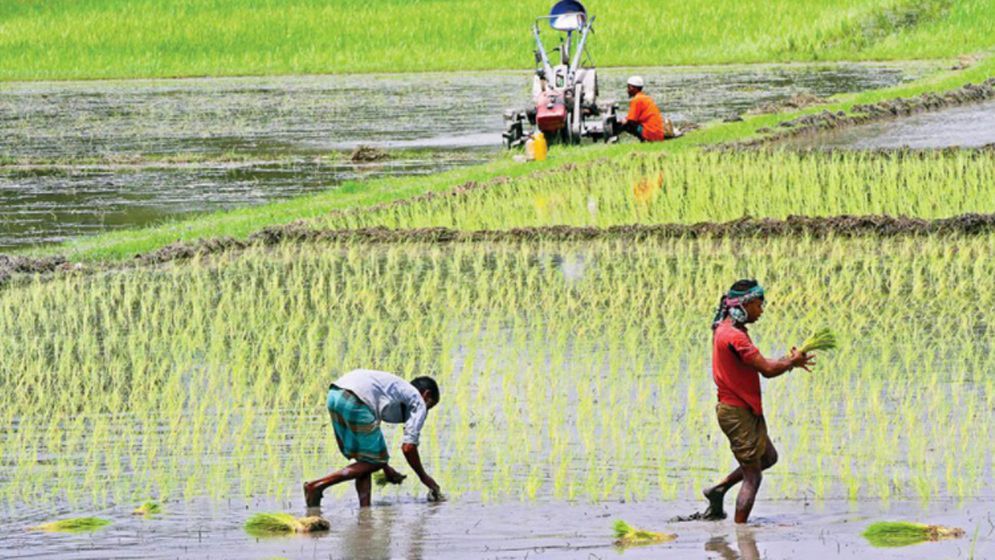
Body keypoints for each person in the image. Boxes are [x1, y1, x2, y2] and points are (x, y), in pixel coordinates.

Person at [701, 280, 815, 523]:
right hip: (736, 412)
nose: (762, 310)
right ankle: (741, 531)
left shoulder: (726, 327)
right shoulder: (735, 337)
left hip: (744, 408)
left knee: (767, 458)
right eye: (759, 304)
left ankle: (718, 489)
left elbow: (763, 364)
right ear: (745, 304)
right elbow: (767, 369)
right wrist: (791, 362)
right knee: (753, 477)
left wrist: (788, 360)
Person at [303, 369, 442, 508]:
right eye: (429, 406)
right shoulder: (417, 400)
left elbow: (370, 443)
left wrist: (385, 468)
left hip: (335, 394)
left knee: (365, 459)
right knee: (375, 460)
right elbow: (408, 448)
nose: (425, 411)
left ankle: (364, 512)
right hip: (355, 400)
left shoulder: (394, 391)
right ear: (426, 395)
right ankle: (317, 486)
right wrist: (425, 478)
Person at [618, 76, 665, 142]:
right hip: (658, 133)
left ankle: (644, 139)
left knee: (626, 125)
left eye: (628, 87)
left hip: (650, 132)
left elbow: (631, 120)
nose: (627, 90)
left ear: (633, 88)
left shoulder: (636, 100)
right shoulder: (645, 97)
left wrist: (622, 123)